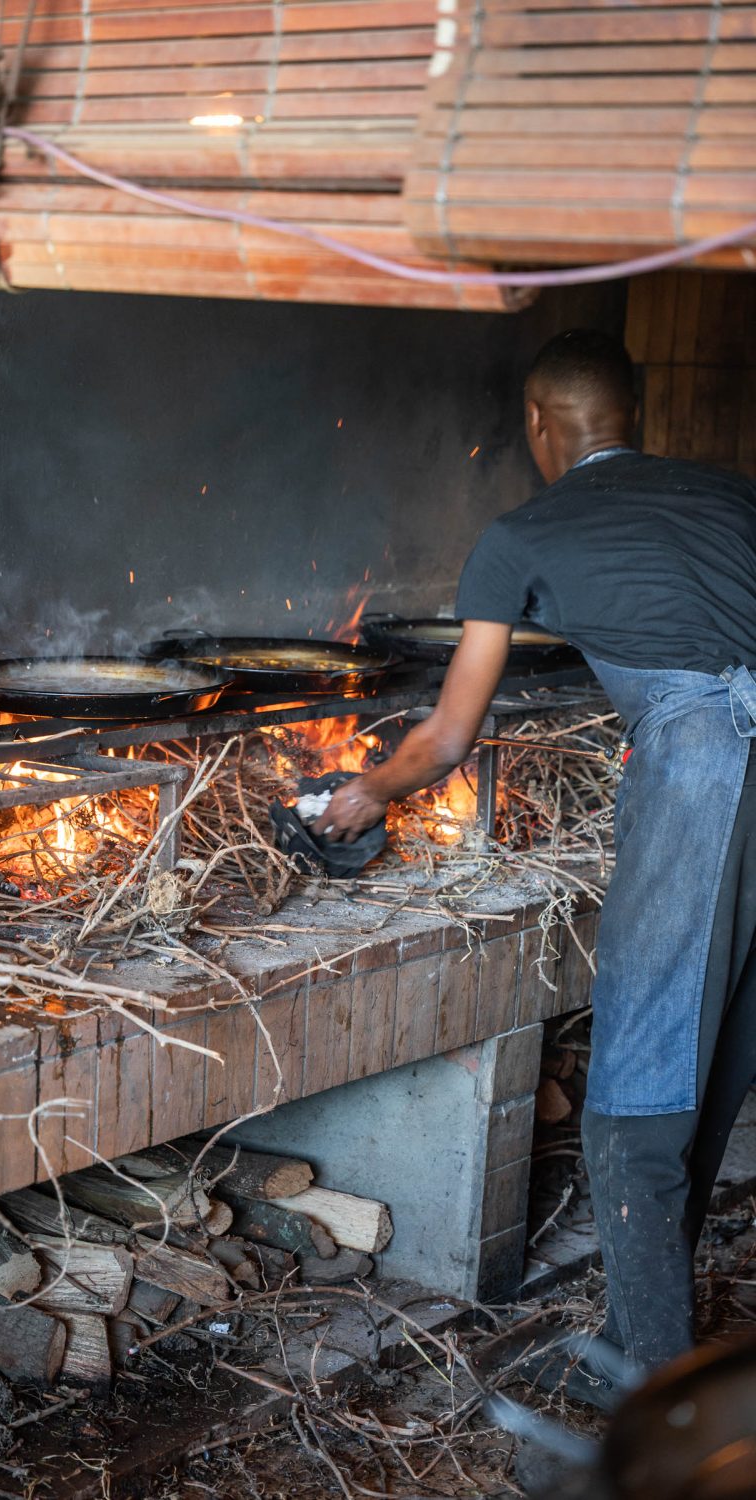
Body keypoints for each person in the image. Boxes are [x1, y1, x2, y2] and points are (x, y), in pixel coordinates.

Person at [317, 327, 756, 1399]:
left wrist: (365, 792)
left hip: (711, 772)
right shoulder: (733, 497)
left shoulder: (522, 532)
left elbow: (448, 739)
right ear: (631, 415)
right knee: (723, 1048)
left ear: (536, 423)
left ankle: (661, 1402)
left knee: (637, 1095)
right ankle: (638, 1337)